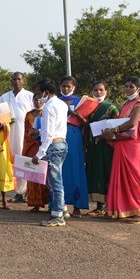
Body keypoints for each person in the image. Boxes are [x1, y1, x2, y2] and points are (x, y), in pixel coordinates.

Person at [102, 77, 140, 224]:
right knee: (120, 176)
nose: (128, 89)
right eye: (126, 86)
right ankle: (121, 209)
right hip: (122, 144)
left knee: (134, 176)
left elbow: (132, 123)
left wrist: (114, 130)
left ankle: (139, 211)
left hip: (134, 145)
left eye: (131, 86)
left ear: (138, 89)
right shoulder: (125, 104)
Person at [32, 79, 69, 227]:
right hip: (61, 143)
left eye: (39, 93)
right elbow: (55, 129)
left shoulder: (48, 107)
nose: (38, 97)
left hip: (52, 145)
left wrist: (39, 154)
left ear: (46, 92)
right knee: (56, 179)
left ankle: (58, 216)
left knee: (55, 182)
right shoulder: (61, 104)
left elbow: (49, 134)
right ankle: (63, 209)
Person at [0, 72, 35, 202]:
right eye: (14, 79)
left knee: (24, 159)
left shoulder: (30, 96)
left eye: (19, 79)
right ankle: (15, 189)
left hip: (26, 134)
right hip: (9, 133)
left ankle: (23, 191)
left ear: (23, 81)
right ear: (11, 81)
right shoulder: (4, 97)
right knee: (12, 160)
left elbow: (37, 113)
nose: (17, 81)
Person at [83, 81, 118, 217]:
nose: (98, 93)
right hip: (93, 146)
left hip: (106, 146)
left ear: (106, 92)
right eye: (95, 90)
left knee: (106, 173)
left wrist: (109, 134)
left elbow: (118, 124)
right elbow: (86, 127)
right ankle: (99, 206)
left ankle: (110, 206)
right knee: (95, 173)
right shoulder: (89, 108)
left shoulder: (111, 108)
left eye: (101, 90)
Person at [58, 76, 89, 217]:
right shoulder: (55, 101)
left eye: (68, 86)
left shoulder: (80, 102)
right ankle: (58, 204)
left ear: (73, 87)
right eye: (63, 86)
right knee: (58, 170)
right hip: (58, 135)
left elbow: (85, 123)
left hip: (74, 137)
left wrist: (77, 115)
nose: (66, 89)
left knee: (75, 169)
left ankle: (77, 206)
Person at [23, 82, 49, 212]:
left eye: (39, 98)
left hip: (44, 147)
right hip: (32, 146)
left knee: (46, 176)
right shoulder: (28, 114)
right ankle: (36, 204)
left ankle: (50, 203)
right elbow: (26, 132)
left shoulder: (47, 112)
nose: (37, 101)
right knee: (33, 176)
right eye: (35, 99)